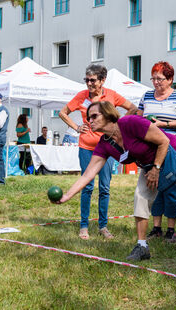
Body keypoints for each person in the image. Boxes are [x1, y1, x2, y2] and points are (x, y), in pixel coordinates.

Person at [58, 101, 176, 261]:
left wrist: (156, 169)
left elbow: (163, 141)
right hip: (148, 165)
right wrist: (66, 196)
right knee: (141, 196)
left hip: (173, 153)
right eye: (89, 117)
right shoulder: (104, 144)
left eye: (94, 115)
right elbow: (88, 174)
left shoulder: (131, 123)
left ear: (108, 114)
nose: (90, 120)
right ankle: (142, 246)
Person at [59, 64, 137, 240]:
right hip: (86, 147)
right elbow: (63, 113)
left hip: (108, 148)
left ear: (102, 80)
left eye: (93, 80)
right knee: (87, 186)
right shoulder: (81, 96)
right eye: (86, 80)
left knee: (104, 187)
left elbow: (132, 108)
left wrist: (119, 126)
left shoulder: (111, 95)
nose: (89, 83)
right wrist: (77, 127)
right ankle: (84, 226)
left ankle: (103, 226)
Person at [137, 61, 176, 243]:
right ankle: (157, 228)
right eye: (154, 78)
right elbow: (138, 117)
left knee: (171, 189)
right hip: (151, 148)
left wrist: (163, 124)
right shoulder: (146, 96)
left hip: (172, 148)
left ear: (170, 79)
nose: (156, 82)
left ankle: (171, 230)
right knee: (155, 187)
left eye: (160, 79)